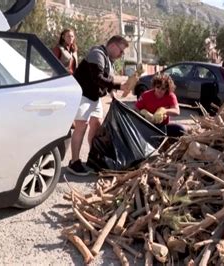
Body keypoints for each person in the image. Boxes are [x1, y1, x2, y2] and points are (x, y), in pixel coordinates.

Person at [68, 35, 129, 176]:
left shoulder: (109, 60)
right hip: (82, 95)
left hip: (94, 97)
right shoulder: (97, 54)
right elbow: (99, 78)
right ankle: (74, 162)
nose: (122, 54)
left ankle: (93, 157)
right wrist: (120, 86)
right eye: (121, 51)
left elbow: (107, 81)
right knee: (81, 126)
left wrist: (113, 96)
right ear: (113, 46)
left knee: (96, 125)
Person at [135, 74, 185, 138]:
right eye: (158, 87)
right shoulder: (146, 95)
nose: (159, 90)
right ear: (154, 86)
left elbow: (177, 111)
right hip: (146, 125)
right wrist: (144, 113)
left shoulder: (170, 96)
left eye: (163, 89)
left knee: (181, 130)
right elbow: (136, 108)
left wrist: (164, 110)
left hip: (163, 126)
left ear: (167, 89)